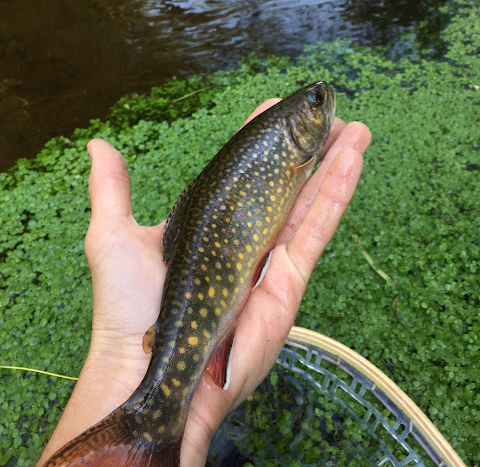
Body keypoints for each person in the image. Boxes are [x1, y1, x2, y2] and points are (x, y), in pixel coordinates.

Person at [37, 99, 371, 467]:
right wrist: (119, 361)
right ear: (296, 128)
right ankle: (154, 426)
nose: (321, 101)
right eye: (315, 104)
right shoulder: (288, 154)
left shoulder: (282, 152)